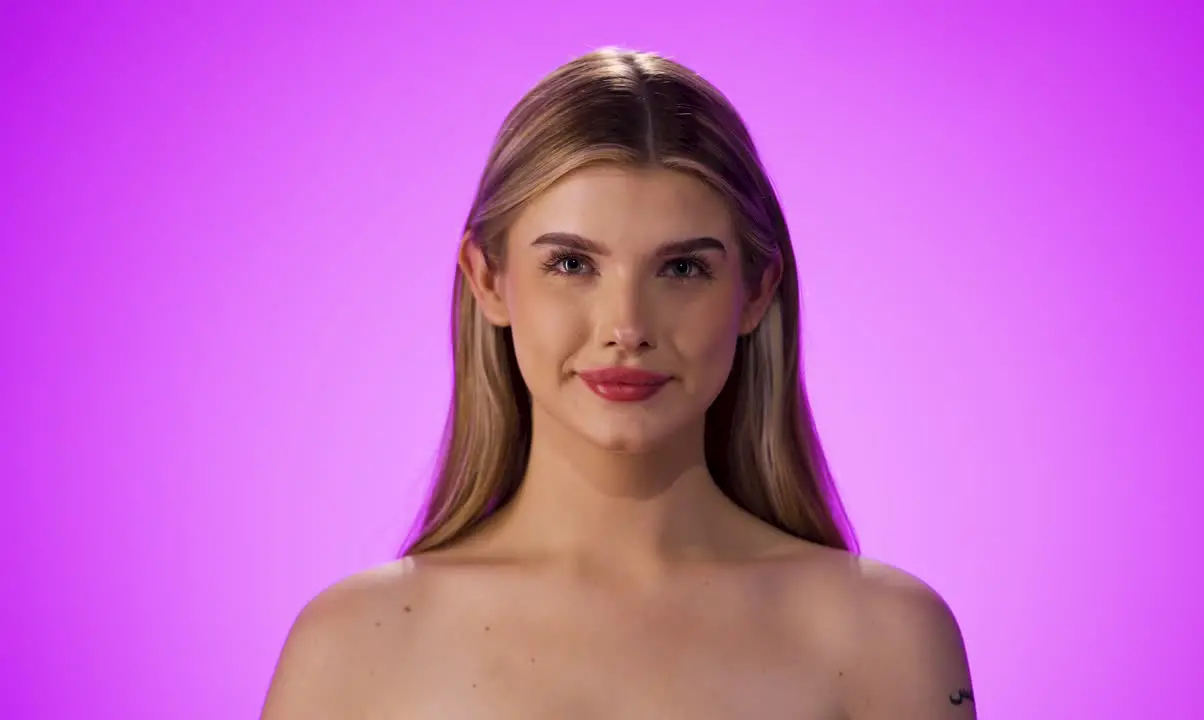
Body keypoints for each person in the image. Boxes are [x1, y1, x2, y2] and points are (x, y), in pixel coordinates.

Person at [261, 47, 976, 719]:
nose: (626, 326)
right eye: (572, 265)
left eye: (682, 269)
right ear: (487, 279)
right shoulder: (351, 649)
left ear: (757, 292)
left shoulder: (887, 639)